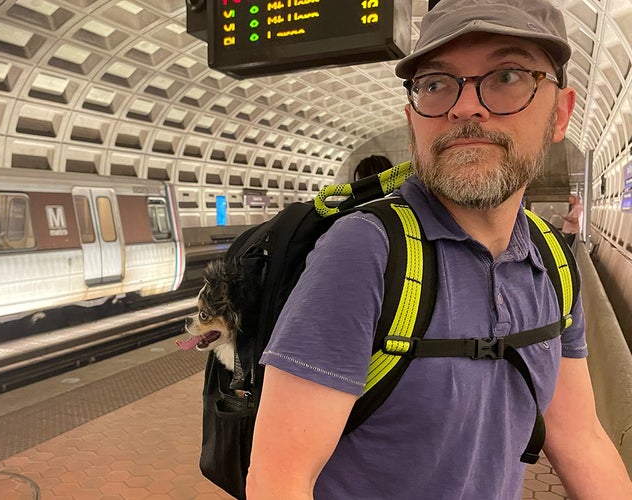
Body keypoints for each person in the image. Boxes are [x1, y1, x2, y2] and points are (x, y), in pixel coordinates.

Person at [246, 0, 632, 498]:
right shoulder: (367, 249)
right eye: (435, 83)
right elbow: (279, 479)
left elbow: (579, 438)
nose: (464, 106)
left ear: (560, 113)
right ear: (413, 121)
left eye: (507, 75)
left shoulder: (552, 262)